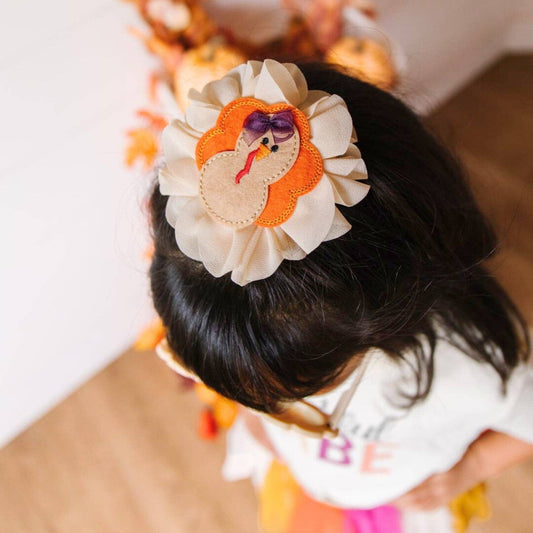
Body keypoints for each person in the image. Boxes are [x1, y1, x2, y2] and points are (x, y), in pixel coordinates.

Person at [148, 59, 533, 532]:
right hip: (304, 475)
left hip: (410, 497)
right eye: (257, 394)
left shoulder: (475, 363)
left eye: (286, 394)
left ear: (381, 316)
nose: (269, 406)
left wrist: (472, 468)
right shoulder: (261, 332)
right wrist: (258, 421)